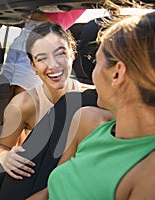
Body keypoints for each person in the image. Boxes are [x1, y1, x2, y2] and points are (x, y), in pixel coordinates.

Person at [27, 11, 155, 199]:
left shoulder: (148, 176)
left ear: (117, 74)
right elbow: (50, 191)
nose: (92, 73)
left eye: (97, 62)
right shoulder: (86, 119)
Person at [0, 22, 92, 180]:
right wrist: (4, 156)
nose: (53, 65)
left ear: (72, 54)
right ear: (33, 65)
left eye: (60, 54)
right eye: (42, 59)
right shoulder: (23, 104)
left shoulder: (92, 96)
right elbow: (2, 146)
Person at [1, 11, 86, 99]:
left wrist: (22, 13)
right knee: (3, 94)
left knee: (21, 97)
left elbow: (56, 19)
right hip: (22, 39)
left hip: (42, 44)